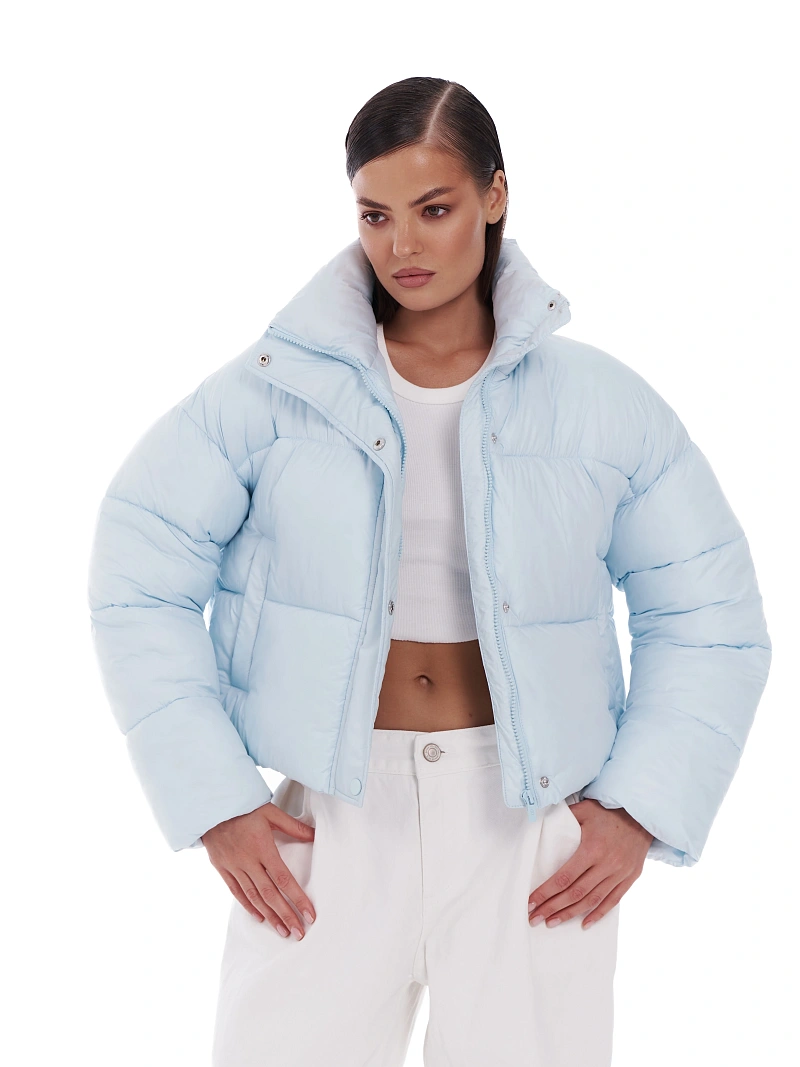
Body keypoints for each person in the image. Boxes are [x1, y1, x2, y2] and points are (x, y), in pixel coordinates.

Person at [86, 77, 772, 1067]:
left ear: (495, 195)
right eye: (375, 215)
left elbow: (708, 613)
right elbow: (137, 577)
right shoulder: (267, 395)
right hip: (328, 818)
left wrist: (639, 807)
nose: (402, 244)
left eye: (434, 209)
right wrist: (213, 795)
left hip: (529, 827)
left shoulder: (603, 405)